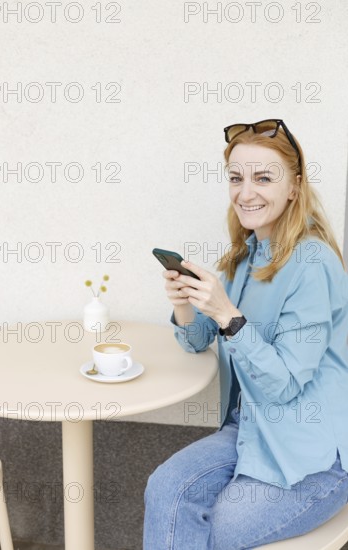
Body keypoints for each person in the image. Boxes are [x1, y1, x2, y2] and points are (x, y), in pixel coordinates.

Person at [143, 119, 348, 549]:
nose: (245, 191)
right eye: (236, 177)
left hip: (313, 453)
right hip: (248, 429)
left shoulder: (313, 263)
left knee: (219, 528)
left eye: (263, 178)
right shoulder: (245, 254)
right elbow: (198, 339)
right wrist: (184, 302)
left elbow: (284, 384)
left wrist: (228, 315)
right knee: (166, 489)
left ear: (294, 186)